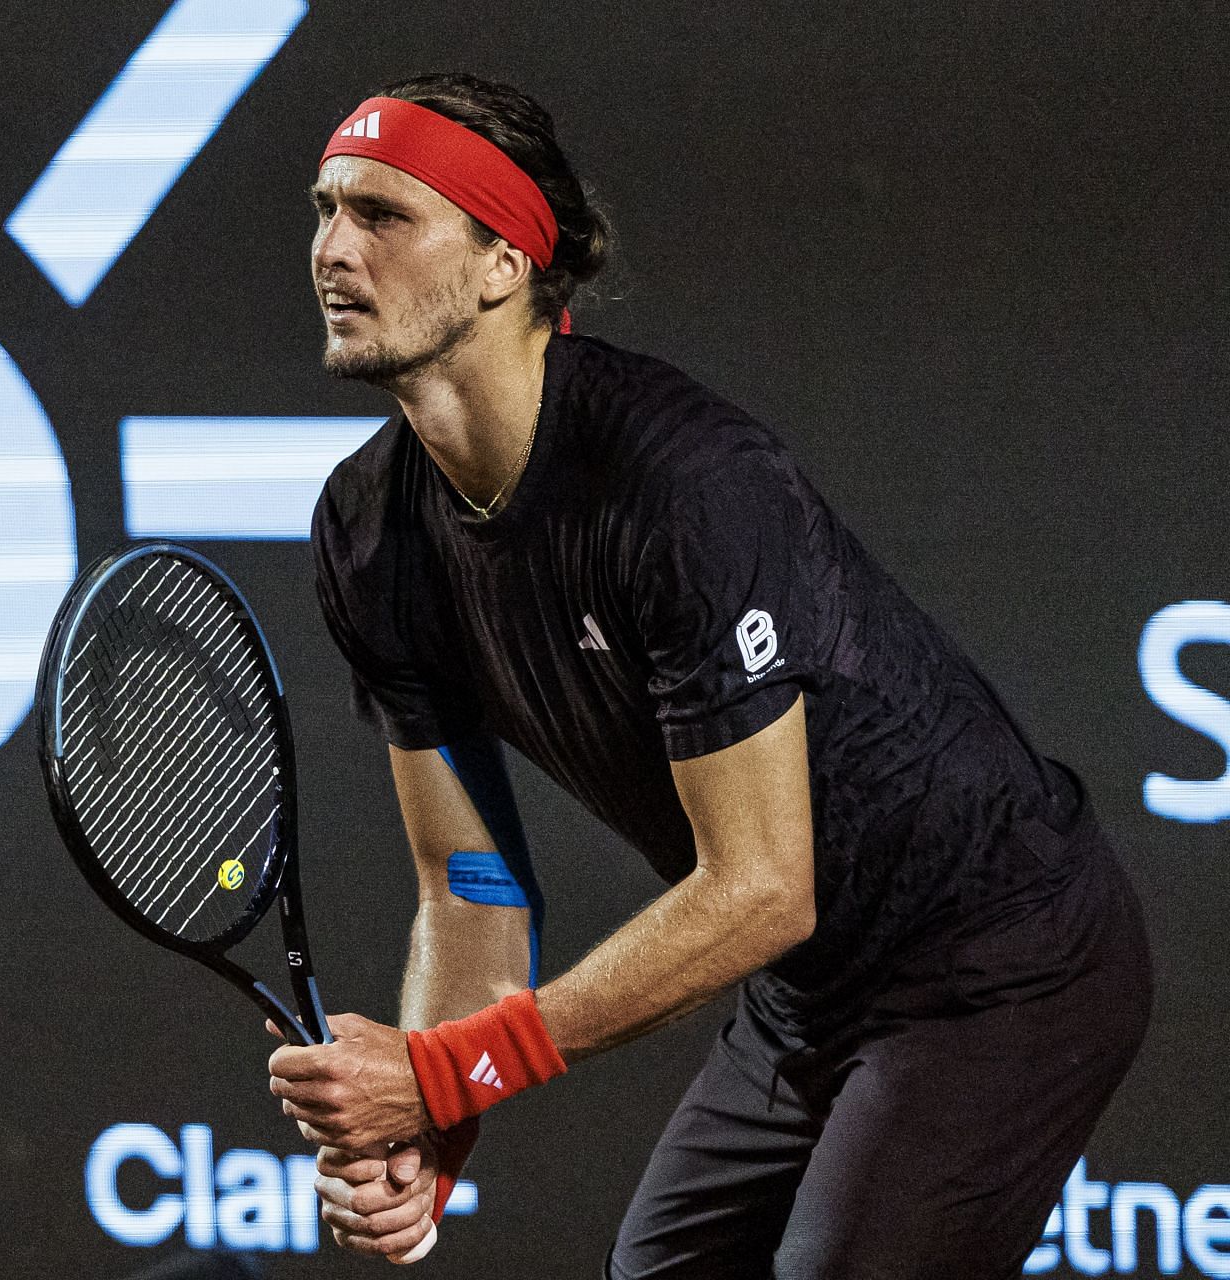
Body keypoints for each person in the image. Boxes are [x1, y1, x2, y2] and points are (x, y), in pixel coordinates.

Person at [267, 72, 1153, 1278]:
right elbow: (469, 885)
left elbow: (762, 884)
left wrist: (441, 1068)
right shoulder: (368, 531)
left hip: (996, 961)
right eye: (324, 209)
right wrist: (438, 1120)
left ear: (501, 263)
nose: (331, 249)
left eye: (382, 216)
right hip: (802, 998)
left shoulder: (682, 482)